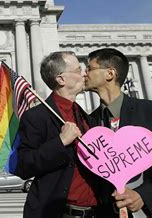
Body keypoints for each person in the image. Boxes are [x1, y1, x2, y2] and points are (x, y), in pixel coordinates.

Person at [84, 48, 152, 217]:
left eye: (89, 68)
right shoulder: (90, 122)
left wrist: (142, 195)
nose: (84, 73)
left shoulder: (151, 111)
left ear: (110, 73)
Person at [15, 51, 102, 218]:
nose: (84, 73)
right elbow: (23, 165)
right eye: (78, 70)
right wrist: (60, 142)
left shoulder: (87, 118)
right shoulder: (36, 117)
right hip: (59, 212)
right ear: (61, 79)